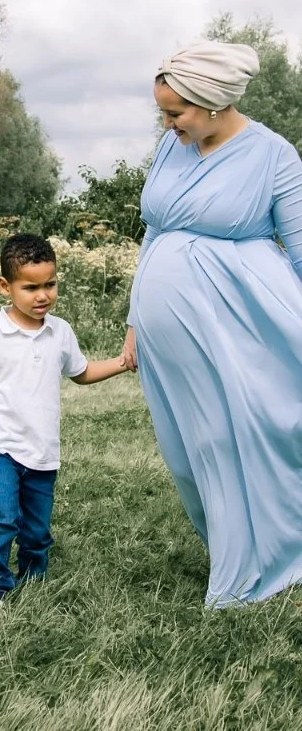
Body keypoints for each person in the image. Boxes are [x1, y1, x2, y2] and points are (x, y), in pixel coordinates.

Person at [121, 40, 302, 608]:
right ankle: (232, 545)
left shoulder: (274, 155)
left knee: (242, 434)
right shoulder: (174, 147)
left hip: (241, 326)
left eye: (176, 112)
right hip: (171, 336)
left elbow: (299, 250)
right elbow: (155, 232)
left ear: (215, 102)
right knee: (190, 449)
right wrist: (134, 319)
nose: (166, 122)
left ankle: (258, 566)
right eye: (163, 111)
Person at [0, 233, 127, 608]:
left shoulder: (60, 331)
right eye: (30, 287)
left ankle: (34, 579)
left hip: (42, 449)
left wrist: (121, 362)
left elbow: (80, 372)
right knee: (2, 516)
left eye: (49, 284)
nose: (42, 295)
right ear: (6, 286)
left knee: (36, 528)